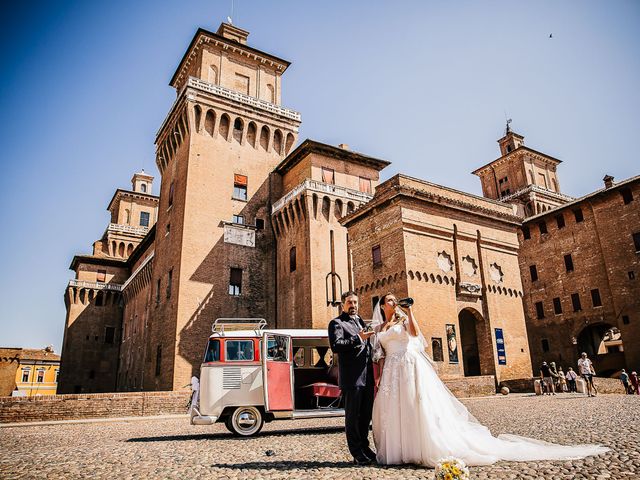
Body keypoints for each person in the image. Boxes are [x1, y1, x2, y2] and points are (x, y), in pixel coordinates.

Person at [370, 292, 609, 466]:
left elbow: (414, 334)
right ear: (382, 305)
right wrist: (378, 372)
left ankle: (421, 446)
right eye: (389, 300)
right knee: (396, 408)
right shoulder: (381, 326)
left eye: (394, 299)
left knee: (415, 406)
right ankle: (399, 450)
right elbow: (377, 350)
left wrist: (410, 311)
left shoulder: (403, 320)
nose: (393, 302)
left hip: (408, 365)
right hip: (392, 369)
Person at [328, 291, 376, 465]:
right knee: (352, 417)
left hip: (367, 377)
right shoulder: (337, 323)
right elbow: (336, 346)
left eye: (355, 302)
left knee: (365, 416)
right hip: (352, 378)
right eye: (349, 302)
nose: (353, 305)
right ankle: (356, 452)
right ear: (343, 304)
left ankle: (364, 446)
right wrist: (358, 338)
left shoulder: (361, 321)